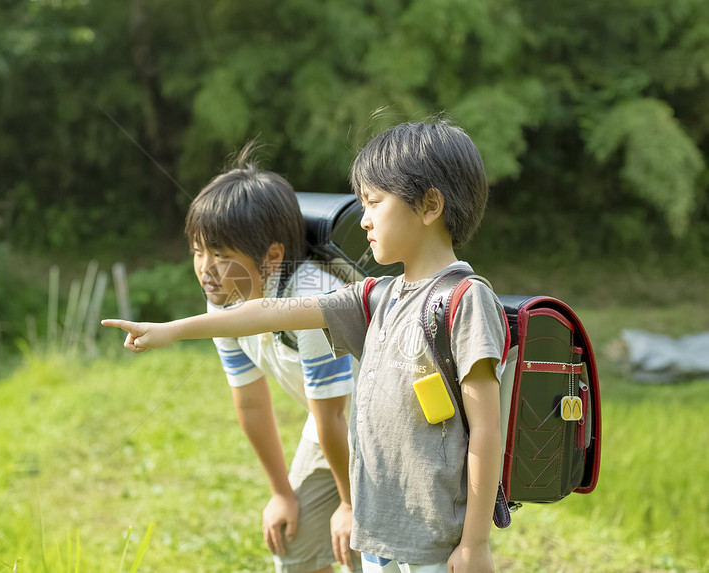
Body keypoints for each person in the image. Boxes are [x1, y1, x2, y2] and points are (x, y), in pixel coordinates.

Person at [104, 120, 508, 573]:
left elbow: (487, 430)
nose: (364, 218)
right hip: (382, 523)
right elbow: (270, 312)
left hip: (433, 535)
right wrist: (174, 329)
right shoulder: (377, 295)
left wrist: (474, 544)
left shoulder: (465, 301)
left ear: (430, 205)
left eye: (374, 202)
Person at [179, 145, 362, 573]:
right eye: (198, 250)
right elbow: (250, 401)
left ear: (272, 257)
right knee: (294, 548)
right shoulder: (224, 303)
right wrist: (281, 493)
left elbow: (334, 415)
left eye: (222, 254)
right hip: (331, 432)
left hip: (387, 432)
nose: (206, 268)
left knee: (362, 550)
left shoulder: (313, 300)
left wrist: (351, 504)